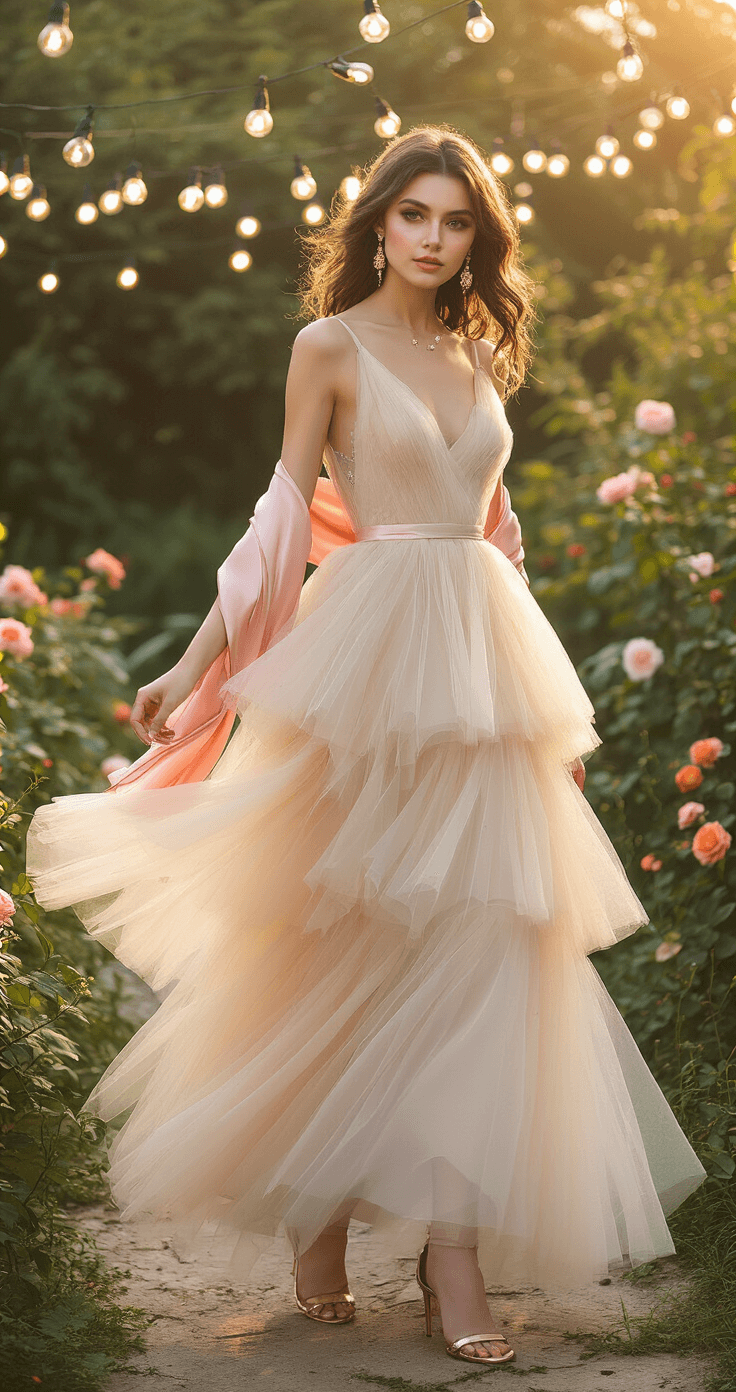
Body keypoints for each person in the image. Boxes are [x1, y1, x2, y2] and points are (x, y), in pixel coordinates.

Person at [26, 124, 706, 1369]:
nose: (436, 240)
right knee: (345, 948)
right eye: (414, 217)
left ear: (474, 236)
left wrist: (542, 711)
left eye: (456, 221)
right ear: (378, 223)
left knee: (486, 956)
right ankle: (319, 1216)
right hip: (364, 674)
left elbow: (493, 535)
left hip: (483, 672)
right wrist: (197, 662)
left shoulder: (480, 352)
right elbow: (284, 516)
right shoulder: (328, 347)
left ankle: (454, 1254)